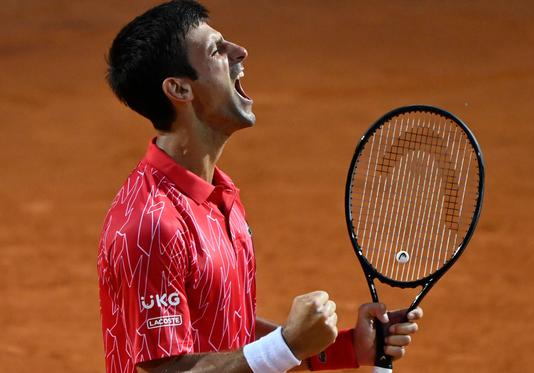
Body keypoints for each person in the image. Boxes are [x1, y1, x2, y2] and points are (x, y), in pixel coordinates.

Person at [97, 1, 423, 372]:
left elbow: (224, 334)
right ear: (179, 89)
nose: (240, 52)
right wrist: (286, 345)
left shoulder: (219, 195)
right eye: (216, 50)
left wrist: (345, 349)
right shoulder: (152, 225)